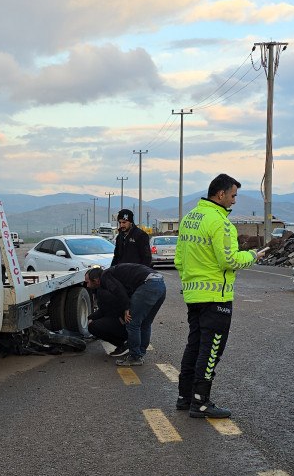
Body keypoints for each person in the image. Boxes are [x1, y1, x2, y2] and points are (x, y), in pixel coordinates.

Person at [173, 174, 267, 419]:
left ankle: (184, 397)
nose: (234, 201)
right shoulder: (221, 223)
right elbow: (230, 260)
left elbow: (179, 260)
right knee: (211, 348)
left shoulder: (189, 219)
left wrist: (189, 284)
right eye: (233, 195)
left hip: (193, 295)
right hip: (216, 296)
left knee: (194, 345)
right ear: (221, 194)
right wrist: (253, 256)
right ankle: (201, 402)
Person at [84, 264, 166, 367]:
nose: (87, 285)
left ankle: (135, 357)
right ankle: (139, 353)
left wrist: (126, 308)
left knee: (132, 322)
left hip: (148, 285)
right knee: (145, 322)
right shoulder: (114, 273)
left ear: (96, 280)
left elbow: (118, 290)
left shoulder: (105, 277)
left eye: (87, 282)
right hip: (160, 284)